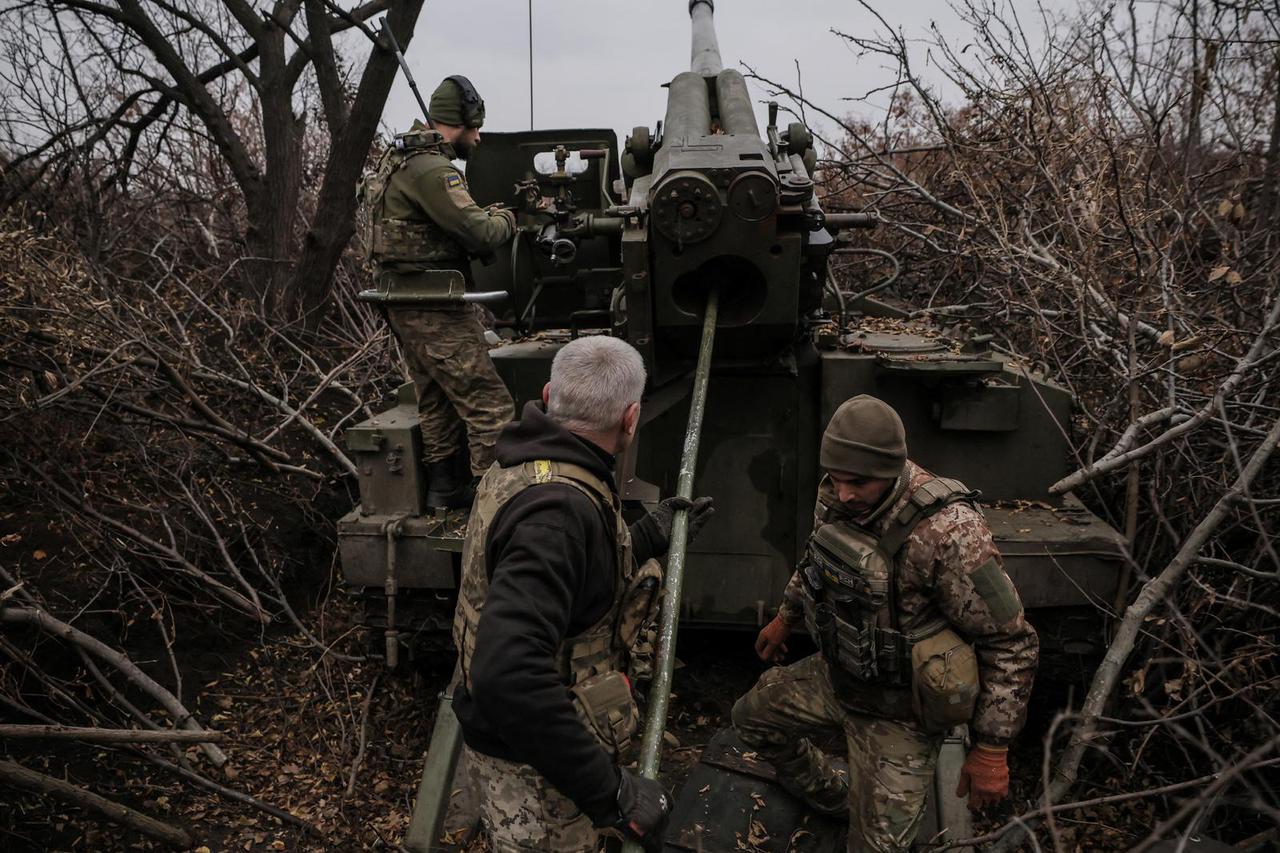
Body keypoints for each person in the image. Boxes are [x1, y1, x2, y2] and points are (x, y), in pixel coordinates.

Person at [732, 395, 1039, 853]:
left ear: (892, 470)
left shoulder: (949, 532)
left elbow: (1011, 642)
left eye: (858, 482)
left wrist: (992, 750)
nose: (844, 494)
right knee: (751, 721)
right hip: (837, 677)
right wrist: (786, 615)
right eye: (836, 480)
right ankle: (834, 798)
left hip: (903, 714)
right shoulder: (838, 494)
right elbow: (818, 560)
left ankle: (872, 817)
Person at [450, 335, 715, 852]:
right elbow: (507, 674)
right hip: (535, 773)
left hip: (531, 749)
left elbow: (567, 589)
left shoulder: (528, 465)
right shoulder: (559, 515)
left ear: (549, 396)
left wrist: (643, 541)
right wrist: (612, 793)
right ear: (631, 418)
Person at [361, 75, 518, 507]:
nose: (480, 137)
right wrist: (508, 218)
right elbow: (481, 233)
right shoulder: (433, 169)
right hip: (436, 308)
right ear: (462, 122)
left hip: (404, 302)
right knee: (491, 409)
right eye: (476, 128)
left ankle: (444, 492)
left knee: (436, 402)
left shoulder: (399, 159)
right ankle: (492, 507)